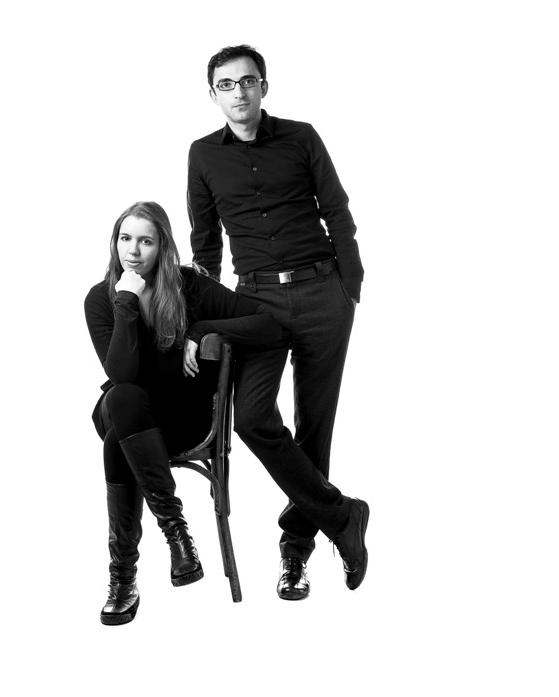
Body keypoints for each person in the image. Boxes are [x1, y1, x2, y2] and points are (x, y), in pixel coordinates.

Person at [187, 44, 369, 600]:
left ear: (263, 86)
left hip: (322, 294)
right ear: (213, 94)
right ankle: (343, 515)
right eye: (226, 84)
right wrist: (202, 321)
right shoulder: (202, 155)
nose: (238, 92)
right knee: (252, 418)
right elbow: (205, 243)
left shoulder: (302, 137)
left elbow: (336, 210)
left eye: (247, 81)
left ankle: (295, 553)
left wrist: (350, 285)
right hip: (256, 303)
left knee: (314, 425)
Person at [84, 201, 281, 625]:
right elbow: (122, 374)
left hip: (183, 420)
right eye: (125, 238)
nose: (133, 250)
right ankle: (176, 533)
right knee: (123, 398)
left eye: (146, 241)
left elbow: (267, 324)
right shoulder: (102, 299)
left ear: (163, 247)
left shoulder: (190, 286)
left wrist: (202, 328)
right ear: (114, 242)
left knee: (119, 435)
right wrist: (125, 301)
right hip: (131, 412)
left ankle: (123, 581)